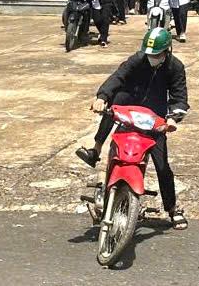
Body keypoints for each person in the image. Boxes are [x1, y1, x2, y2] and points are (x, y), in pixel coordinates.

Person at [74, 28, 190, 229]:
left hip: (154, 119)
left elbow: (179, 97)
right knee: (113, 104)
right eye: (149, 53)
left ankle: (172, 209)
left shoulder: (175, 67)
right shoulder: (137, 59)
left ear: (167, 51)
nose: (151, 57)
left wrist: (173, 119)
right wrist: (102, 97)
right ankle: (96, 150)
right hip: (130, 109)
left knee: (162, 166)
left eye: (156, 54)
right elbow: (117, 77)